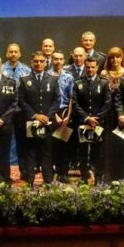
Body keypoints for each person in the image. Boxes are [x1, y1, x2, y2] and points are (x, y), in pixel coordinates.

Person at [18, 52, 61, 184]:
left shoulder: (52, 79)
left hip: (47, 122)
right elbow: (21, 100)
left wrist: (47, 116)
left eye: (41, 61)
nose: (38, 63)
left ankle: (48, 181)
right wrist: (35, 115)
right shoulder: (24, 80)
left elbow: (57, 100)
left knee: (47, 152)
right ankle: (30, 181)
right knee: (30, 152)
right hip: (31, 121)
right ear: (31, 63)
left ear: (45, 63)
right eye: (36, 61)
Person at [70, 57, 111, 184]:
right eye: (88, 67)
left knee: (97, 152)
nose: (90, 69)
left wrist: (96, 119)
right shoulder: (78, 83)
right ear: (85, 67)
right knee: (82, 151)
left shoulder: (104, 83)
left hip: (98, 124)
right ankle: (84, 177)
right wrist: (87, 118)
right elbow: (75, 104)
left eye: (93, 67)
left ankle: (98, 178)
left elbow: (107, 103)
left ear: (97, 68)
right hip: (83, 123)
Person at [48, 51, 75, 182]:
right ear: (51, 60)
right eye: (55, 59)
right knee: (50, 145)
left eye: (60, 59)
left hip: (65, 112)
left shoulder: (69, 77)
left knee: (64, 145)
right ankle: (50, 172)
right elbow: (46, 99)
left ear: (64, 61)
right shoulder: (46, 76)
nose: (58, 61)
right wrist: (54, 115)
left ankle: (63, 172)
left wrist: (68, 116)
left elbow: (71, 98)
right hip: (51, 112)